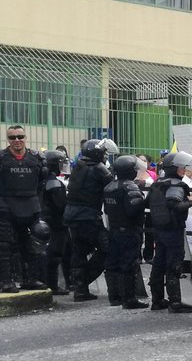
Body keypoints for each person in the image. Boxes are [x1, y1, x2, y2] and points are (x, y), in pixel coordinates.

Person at [64, 138, 117, 301]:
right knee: (107, 248)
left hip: (72, 216)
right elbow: (112, 185)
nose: (105, 155)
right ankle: (83, 281)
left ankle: (80, 289)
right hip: (88, 216)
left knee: (79, 251)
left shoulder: (78, 166)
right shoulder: (99, 168)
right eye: (104, 152)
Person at [146, 152, 192, 312]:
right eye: (181, 167)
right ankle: (175, 302)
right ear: (173, 168)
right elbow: (175, 205)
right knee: (174, 265)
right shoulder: (177, 185)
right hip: (173, 230)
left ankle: (157, 300)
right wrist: (190, 202)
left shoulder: (156, 183)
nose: (183, 169)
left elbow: (147, 203)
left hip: (159, 229)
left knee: (159, 263)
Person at [0, 125, 48, 291]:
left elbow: (43, 182)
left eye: (20, 136)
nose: (17, 140)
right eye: (12, 138)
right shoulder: (1, 157)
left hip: (31, 207)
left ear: (25, 137)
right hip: (6, 208)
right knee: (5, 246)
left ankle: (31, 279)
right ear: (8, 140)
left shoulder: (36, 157)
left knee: (33, 243)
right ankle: (6, 281)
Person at [101, 155, 149, 309]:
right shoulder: (130, 187)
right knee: (129, 264)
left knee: (112, 263)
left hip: (114, 229)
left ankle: (114, 297)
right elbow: (134, 209)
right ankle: (129, 298)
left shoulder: (109, 187)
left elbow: (108, 210)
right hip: (129, 231)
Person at [40, 149, 72, 295]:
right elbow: (61, 206)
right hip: (56, 223)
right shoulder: (54, 184)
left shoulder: (42, 180)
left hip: (43, 222)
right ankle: (52, 286)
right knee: (55, 255)